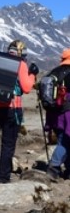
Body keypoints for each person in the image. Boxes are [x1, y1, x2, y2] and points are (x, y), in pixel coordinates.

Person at [0, 39, 39, 184]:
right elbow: (27, 87)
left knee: (5, 140)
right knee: (8, 143)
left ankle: (4, 171)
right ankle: (3, 177)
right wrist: (32, 74)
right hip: (11, 107)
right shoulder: (20, 64)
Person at [43, 48, 70, 181]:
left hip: (54, 112)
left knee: (62, 139)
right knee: (66, 141)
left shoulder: (54, 72)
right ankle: (53, 167)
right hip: (68, 112)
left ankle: (68, 171)